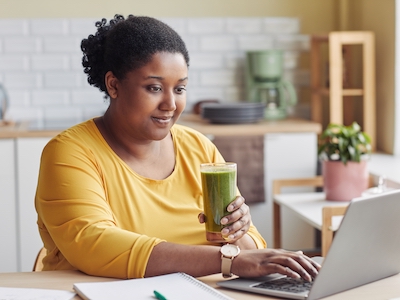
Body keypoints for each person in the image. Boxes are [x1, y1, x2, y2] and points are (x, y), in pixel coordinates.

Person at [35, 14, 320, 280]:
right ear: (113, 85)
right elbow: (94, 244)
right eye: (154, 88)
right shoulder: (70, 152)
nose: (170, 105)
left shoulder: (198, 148)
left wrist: (237, 233)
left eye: (180, 89)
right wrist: (226, 260)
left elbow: (249, 252)